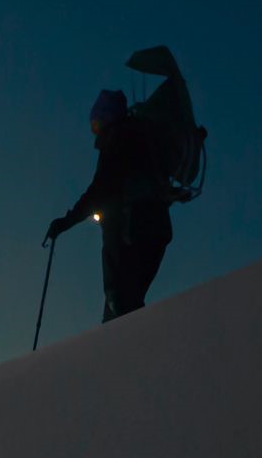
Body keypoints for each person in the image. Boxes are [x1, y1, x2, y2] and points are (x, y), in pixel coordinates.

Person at [45, 89, 175, 321]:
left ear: (106, 118)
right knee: (131, 300)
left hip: (131, 229)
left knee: (120, 303)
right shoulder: (143, 138)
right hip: (157, 228)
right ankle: (129, 347)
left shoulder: (119, 139)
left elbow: (100, 189)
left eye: (95, 124)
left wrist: (65, 222)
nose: (95, 132)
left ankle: (119, 350)